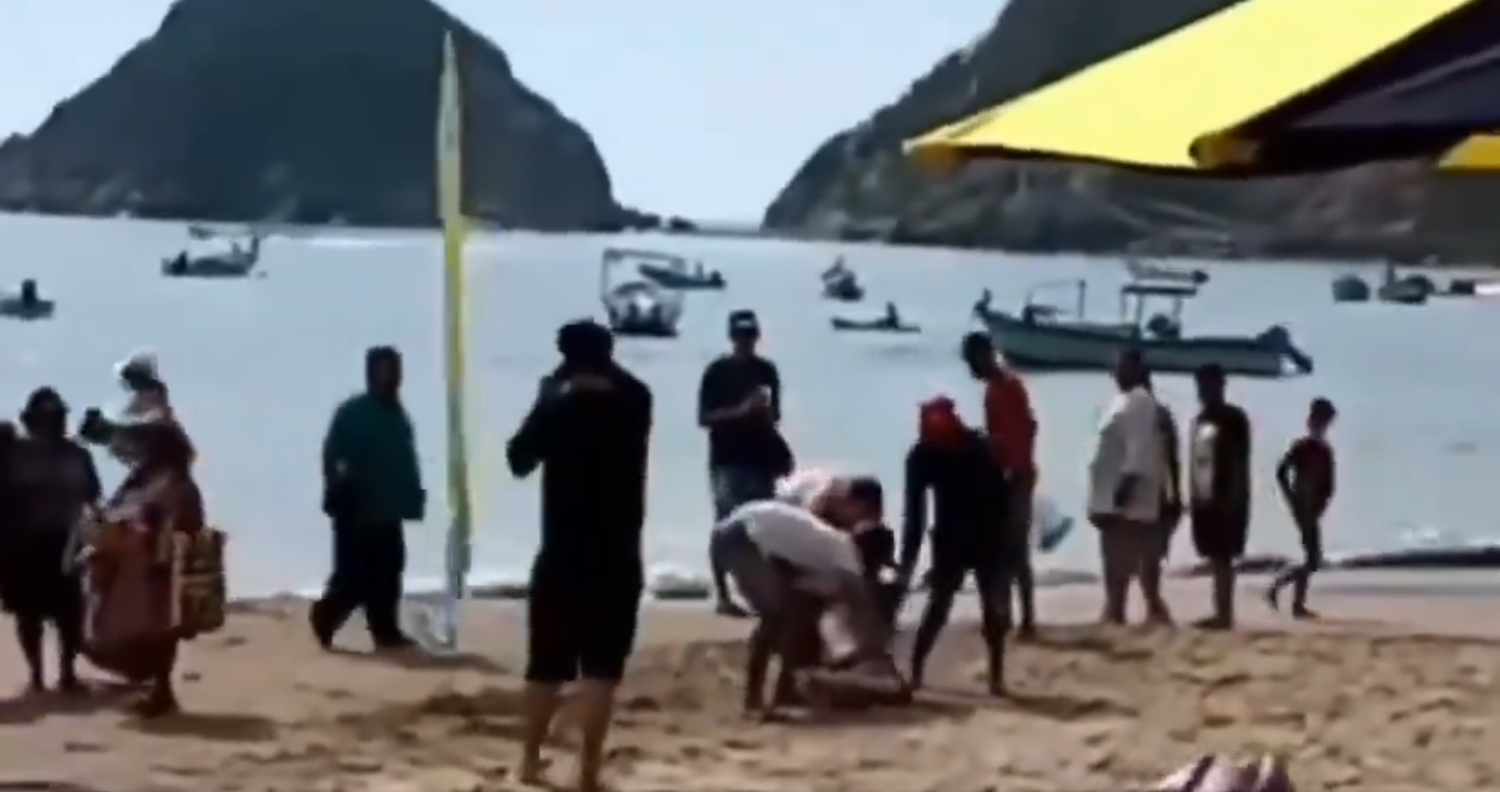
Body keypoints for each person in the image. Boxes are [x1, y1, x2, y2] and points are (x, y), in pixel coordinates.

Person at [506, 319, 651, 792]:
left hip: (564, 549)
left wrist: (548, 399)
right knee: (603, 665)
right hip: (619, 550)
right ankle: (588, 769)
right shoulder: (636, 399)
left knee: (547, 660)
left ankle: (529, 759)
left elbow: (518, 460)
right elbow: (624, 395)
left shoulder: (558, 404)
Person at [76, 417, 224, 716]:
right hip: (141, 569)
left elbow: (157, 525)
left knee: (151, 634)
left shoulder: (168, 483)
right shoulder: (156, 478)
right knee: (151, 634)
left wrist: (113, 535)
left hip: (152, 571)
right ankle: (159, 690)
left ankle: (161, 692)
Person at [709, 492, 896, 719]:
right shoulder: (846, 558)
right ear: (872, 560)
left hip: (739, 529)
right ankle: (754, 701)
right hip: (742, 536)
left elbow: (806, 595)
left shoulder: (830, 544)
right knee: (776, 617)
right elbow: (859, 613)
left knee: (797, 613)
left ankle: (785, 692)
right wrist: (872, 659)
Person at [311, 346, 425, 651]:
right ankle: (324, 616)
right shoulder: (353, 412)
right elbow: (332, 455)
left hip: (389, 508)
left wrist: (413, 497)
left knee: (389, 570)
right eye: (388, 369)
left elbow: (403, 458)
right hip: (357, 507)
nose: (395, 376)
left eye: (397, 369)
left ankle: (386, 631)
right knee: (353, 576)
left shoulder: (397, 413)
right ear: (372, 372)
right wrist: (339, 485)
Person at [898, 397, 1016, 694]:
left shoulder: (978, 449)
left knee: (987, 605)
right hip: (956, 536)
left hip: (984, 534)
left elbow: (1001, 501)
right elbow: (915, 514)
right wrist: (907, 564)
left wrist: (1008, 546)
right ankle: (918, 670)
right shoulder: (924, 455)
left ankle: (994, 676)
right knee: (943, 604)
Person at [3, 388, 101, 692]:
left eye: (55, 418)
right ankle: (36, 676)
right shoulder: (13, 453)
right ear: (32, 421)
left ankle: (67, 674)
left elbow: (93, 495)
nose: (51, 424)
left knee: (69, 612)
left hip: (67, 542)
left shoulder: (76, 455)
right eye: (45, 418)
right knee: (27, 613)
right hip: (24, 543)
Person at [698, 309, 792, 617]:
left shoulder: (767, 371)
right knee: (725, 526)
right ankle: (723, 595)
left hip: (760, 458)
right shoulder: (716, 372)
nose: (746, 341)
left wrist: (764, 414)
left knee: (765, 528)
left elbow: (775, 416)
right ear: (731, 336)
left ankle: (765, 593)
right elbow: (704, 418)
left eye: (750, 335)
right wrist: (741, 411)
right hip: (727, 459)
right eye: (741, 336)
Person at [962, 331, 1039, 636]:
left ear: (983, 355)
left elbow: (1019, 433)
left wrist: (991, 448)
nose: (970, 369)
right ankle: (1015, 616)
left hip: (1013, 477)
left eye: (971, 361)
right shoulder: (1003, 386)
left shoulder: (1003, 388)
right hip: (1015, 474)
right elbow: (1029, 427)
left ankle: (1018, 618)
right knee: (1010, 552)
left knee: (1011, 551)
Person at [1087, 349, 1171, 625]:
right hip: (1115, 497)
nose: (1118, 371)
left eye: (1125, 367)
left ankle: (1119, 612)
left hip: (1127, 498)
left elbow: (1139, 449)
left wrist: (1123, 490)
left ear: (1138, 371)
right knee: (1124, 560)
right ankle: (1121, 610)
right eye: (1118, 366)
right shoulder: (1123, 401)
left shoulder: (1139, 401)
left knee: (1122, 560)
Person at [1186, 364, 1252, 629]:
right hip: (1204, 496)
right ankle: (1220, 610)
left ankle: (1225, 613)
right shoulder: (1201, 419)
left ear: (1221, 386)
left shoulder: (1233, 419)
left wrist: (1234, 497)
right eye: (1201, 386)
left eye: (1209, 385)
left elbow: (1239, 460)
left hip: (1227, 495)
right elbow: (1199, 460)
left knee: (1223, 555)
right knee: (1214, 555)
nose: (1204, 391)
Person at [1267, 398, 1337, 618]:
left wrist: (1322, 505)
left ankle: (1295, 603)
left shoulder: (1324, 451)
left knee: (1312, 557)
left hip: (1312, 507)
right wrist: (1290, 498)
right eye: (1320, 422)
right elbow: (1280, 472)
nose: (1322, 427)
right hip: (1302, 506)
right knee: (1313, 558)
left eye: (1325, 423)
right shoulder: (1301, 447)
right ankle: (1278, 589)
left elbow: (1329, 485)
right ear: (1311, 421)